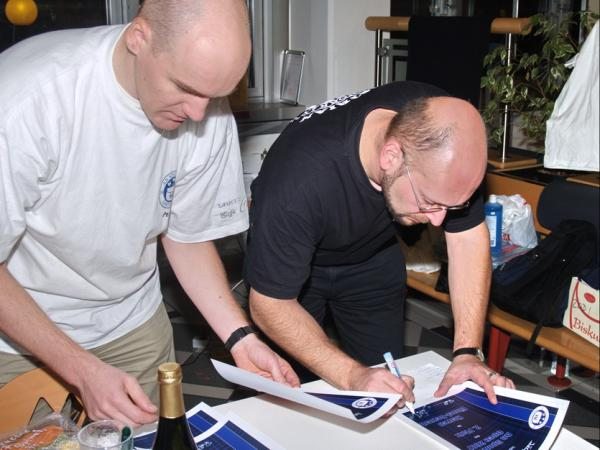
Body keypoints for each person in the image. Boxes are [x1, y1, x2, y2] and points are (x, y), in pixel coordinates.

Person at [0, 0, 298, 427]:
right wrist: (81, 369)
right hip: (18, 335)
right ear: (139, 37)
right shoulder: (24, 103)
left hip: (133, 321)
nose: (199, 114)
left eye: (214, 95)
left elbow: (187, 238)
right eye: (186, 88)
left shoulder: (206, 111)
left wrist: (241, 338)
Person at [244, 81, 516, 408]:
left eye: (451, 207)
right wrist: (351, 376)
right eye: (429, 202)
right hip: (298, 271)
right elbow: (270, 303)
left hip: (373, 257)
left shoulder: (441, 129)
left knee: (388, 389)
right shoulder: (297, 181)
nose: (438, 221)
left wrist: (467, 352)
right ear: (390, 156)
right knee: (289, 395)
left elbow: (467, 237)